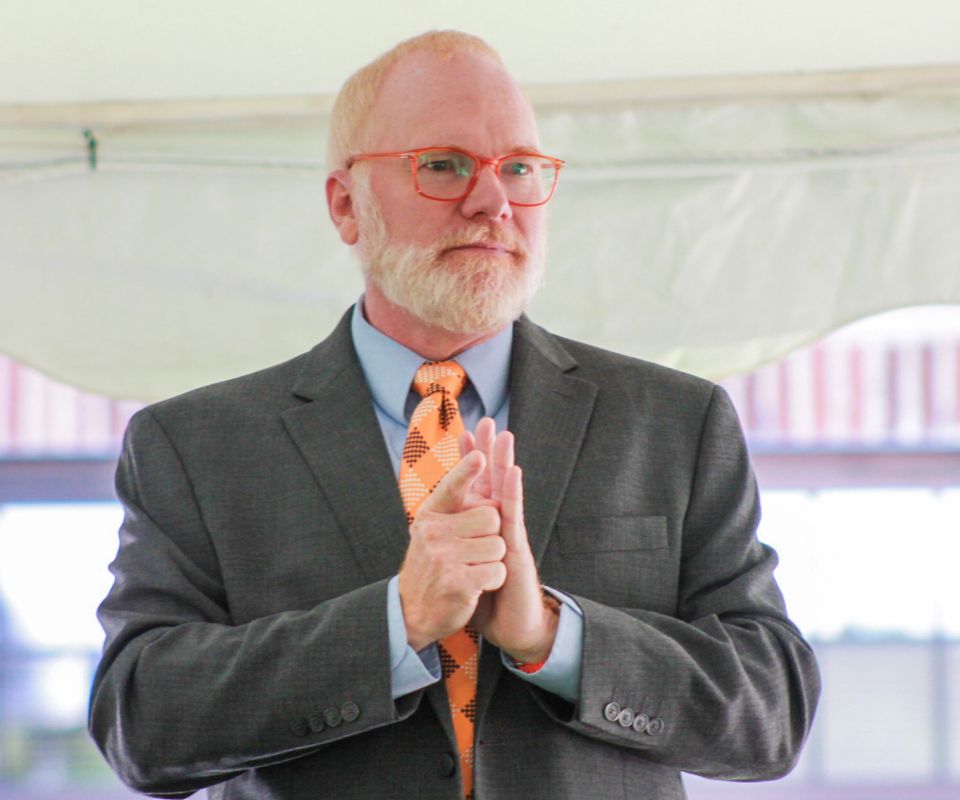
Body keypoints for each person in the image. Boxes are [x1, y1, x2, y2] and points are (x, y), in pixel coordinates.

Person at [88, 30, 819, 800]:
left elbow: (770, 712)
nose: (492, 199)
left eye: (520, 168)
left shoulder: (676, 422)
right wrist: (394, 623)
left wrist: (551, 635)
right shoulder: (196, 446)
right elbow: (144, 725)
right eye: (443, 165)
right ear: (346, 205)